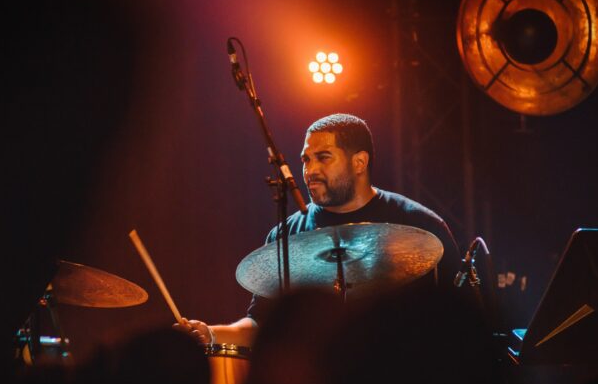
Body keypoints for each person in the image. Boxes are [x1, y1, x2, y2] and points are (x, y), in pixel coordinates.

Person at [179, 113, 461, 347]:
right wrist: (211, 333)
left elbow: (459, 321)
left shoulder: (419, 225)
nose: (310, 170)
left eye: (323, 157)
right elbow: (261, 324)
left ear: (359, 162)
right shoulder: (285, 236)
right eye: (306, 159)